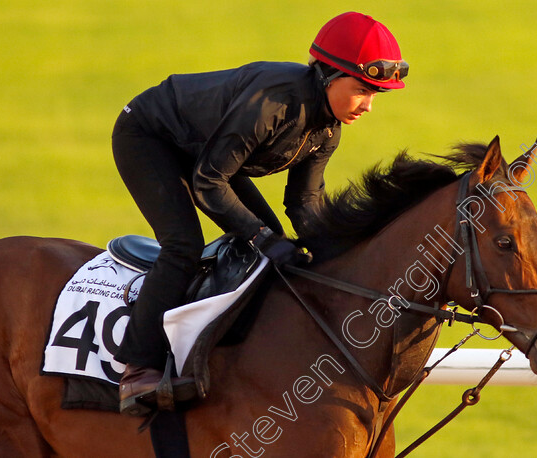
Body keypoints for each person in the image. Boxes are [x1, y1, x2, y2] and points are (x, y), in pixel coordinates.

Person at [111, 11, 409, 415]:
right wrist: (264, 239)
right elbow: (208, 183)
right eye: (362, 90)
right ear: (328, 75)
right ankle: (138, 368)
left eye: (376, 94)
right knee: (184, 245)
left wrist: (333, 256)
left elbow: (304, 204)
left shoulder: (328, 129)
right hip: (150, 137)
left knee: (272, 244)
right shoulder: (274, 102)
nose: (369, 106)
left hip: (203, 151)